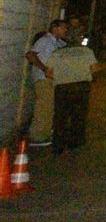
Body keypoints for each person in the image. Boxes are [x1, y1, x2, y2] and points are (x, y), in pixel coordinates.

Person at [24, 19, 69, 148]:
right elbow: (30, 55)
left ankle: (44, 133)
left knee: (49, 107)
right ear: (55, 28)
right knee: (43, 107)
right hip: (43, 78)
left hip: (52, 79)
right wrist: (44, 69)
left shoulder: (57, 42)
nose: (66, 30)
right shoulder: (45, 40)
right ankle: (37, 137)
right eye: (64, 28)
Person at [49, 39, 98, 152]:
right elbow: (94, 69)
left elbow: (49, 72)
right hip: (81, 86)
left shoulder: (57, 53)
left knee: (61, 116)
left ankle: (58, 144)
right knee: (79, 115)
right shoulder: (86, 51)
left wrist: (60, 77)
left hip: (62, 88)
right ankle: (76, 141)